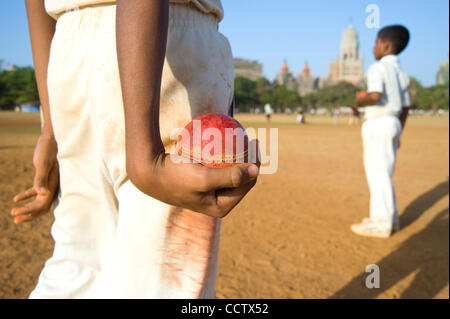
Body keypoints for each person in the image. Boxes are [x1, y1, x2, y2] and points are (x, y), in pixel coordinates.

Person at [12, 0, 259, 298]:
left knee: (76, 271)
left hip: (67, 47)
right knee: (163, 284)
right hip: (162, 43)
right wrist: (144, 159)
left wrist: (50, 128)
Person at [351, 25, 410, 238]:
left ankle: (381, 222)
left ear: (385, 45)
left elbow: (375, 95)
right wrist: (399, 132)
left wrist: (359, 98)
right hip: (394, 123)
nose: (373, 46)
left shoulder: (377, 68)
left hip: (378, 122)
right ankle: (390, 218)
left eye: (376, 42)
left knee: (378, 174)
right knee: (385, 172)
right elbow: (405, 109)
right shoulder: (401, 73)